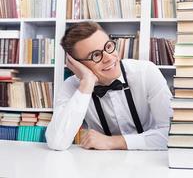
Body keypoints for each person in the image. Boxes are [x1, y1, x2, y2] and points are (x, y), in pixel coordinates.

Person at [45, 22, 173, 150]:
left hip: (151, 162)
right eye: (95, 55)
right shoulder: (73, 86)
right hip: (102, 165)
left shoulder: (146, 72)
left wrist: (114, 142)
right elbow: (57, 142)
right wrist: (87, 83)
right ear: (78, 66)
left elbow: (172, 135)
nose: (109, 58)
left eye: (108, 46)